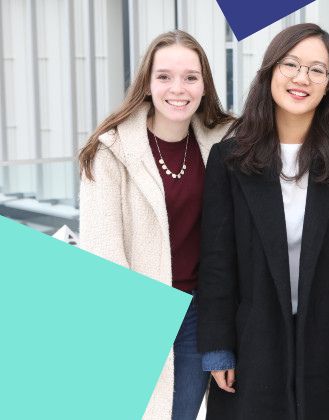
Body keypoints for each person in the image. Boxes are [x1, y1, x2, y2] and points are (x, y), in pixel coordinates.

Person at [197, 23, 329, 419]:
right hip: (254, 338)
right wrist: (218, 347)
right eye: (291, 64)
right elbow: (217, 260)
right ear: (270, 71)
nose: (301, 78)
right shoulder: (230, 158)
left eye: (317, 70)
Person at [78, 30, 233, 419]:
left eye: (190, 77)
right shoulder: (110, 151)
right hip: (138, 313)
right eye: (164, 76)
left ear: (204, 85)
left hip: (197, 313)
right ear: (147, 83)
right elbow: (102, 253)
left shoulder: (223, 141)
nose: (178, 89)